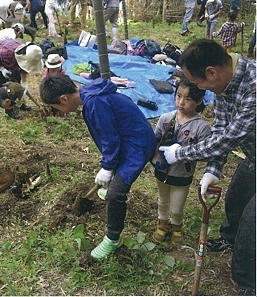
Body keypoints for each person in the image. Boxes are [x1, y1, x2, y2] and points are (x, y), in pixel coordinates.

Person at [159, 39, 255, 295]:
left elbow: (227, 139)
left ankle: (247, 284)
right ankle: (229, 239)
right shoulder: (225, 84)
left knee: (252, 223)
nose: (199, 88)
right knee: (236, 200)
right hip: (254, 157)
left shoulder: (254, 86)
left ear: (211, 72)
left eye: (198, 82)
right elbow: (222, 129)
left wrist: (180, 153)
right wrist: (213, 169)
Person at [39, 73, 156, 259]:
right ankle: (110, 181)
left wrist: (108, 167)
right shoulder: (88, 92)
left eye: (57, 107)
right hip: (128, 137)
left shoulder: (95, 103)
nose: (60, 112)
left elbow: (110, 138)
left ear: (63, 98)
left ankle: (112, 239)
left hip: (137, 144)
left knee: (116, 194)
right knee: (112, 173)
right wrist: (109, 164)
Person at [151, 78, 211, 245]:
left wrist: (184, 154)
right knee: (163, 200)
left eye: (188, 99)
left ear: (199, 101)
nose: (181, 102)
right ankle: (162, 223)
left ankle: (176, 225)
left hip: (182, 175)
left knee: (177, 206)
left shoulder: (201, 127)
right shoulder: (165, 118)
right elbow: (154, 140)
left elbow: (206, 153)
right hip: (161, 170)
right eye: (178, 96)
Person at [0, 39, 43, 118]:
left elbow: (25, 68)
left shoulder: (29, 52)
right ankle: (9, 110)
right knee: (5, 86)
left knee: (17, 83)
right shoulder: (7, 53)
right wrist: (1, 69)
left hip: (9, 60)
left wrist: (24, 83)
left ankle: (20, 103)